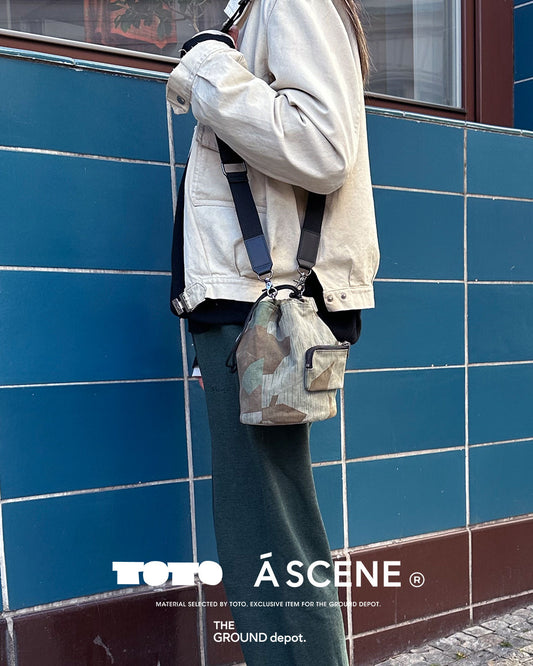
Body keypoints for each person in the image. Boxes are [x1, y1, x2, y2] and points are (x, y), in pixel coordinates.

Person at [166, 0, 379, 663]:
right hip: (246, 307)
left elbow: (322, 148)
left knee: (270, 531)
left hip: (264, 309)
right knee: (259, 524)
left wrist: (208, 62)